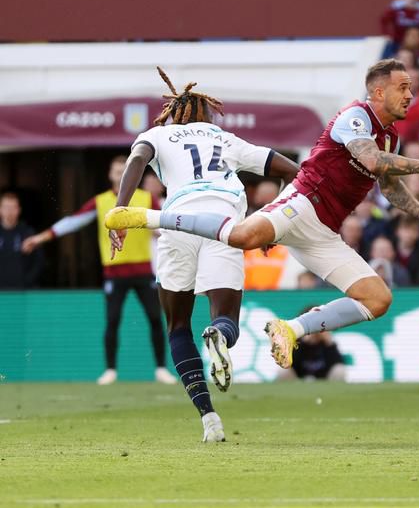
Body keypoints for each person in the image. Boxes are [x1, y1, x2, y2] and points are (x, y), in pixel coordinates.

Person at [106, 59, 419, 372]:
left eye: (411, 89)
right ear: (378, 92)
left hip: (323, 231)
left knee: (378, 299)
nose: (410, 95)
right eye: (403, 88)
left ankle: (290, 329)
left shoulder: (391, 138)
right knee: (244, 238)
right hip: (303, 201)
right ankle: (149, 217)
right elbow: (369, 159)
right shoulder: (356, 116)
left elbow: (387, 182)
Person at [108, 68, 299, 442]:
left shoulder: (157, 134)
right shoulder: (225, 138)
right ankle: (218, 335)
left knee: (177, 327)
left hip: (177, 223)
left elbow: (136, 161)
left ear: (174, 112)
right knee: (226, 319)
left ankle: (209, 417)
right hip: (224, 224)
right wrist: (270, 220)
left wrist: (120, 211)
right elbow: (293, 170)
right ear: (207, 114)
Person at [23, 157, 174, 385]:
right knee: (112, 320)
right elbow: (73, 221)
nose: (120, 173)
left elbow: (166, 222)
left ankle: (161, 369)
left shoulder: (146, 198)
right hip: (114, 272)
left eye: (124, 170)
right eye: (116, 170)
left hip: (143, 270)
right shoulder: (101, 201)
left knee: (155, 318)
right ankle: (111, 370)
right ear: (110, 175)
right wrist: (40, 238)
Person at [278, 307, 348, 380]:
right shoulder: (297, 342)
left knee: (339, 370)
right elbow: (290, 364)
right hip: (299, 382)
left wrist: (329, 343)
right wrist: (304, 342)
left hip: (325, 381)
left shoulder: (327, 343)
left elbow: (338, 364)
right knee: (283, 371)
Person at [0, 191, 45, 289]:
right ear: (0, 209)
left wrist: (27, 282)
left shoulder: (28, 233)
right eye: (6, 207)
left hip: (23, 291)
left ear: (19, 210)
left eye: (13, 207)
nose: (9, 211)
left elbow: (39, 261)